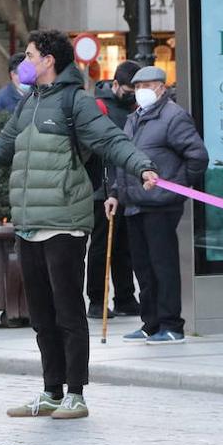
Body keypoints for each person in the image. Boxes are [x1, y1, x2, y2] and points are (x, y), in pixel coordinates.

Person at [0, 30, 158, 419]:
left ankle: (75, 393)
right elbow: (2, 147)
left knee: (68, 311)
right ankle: (50, 391)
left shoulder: (74, 102)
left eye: (30, 55)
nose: (24, 62)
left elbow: (111, 140)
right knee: (42, 315)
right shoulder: (28, 103)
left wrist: (142, 166)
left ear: (48, 60)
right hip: (29, 221)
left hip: (64, 221)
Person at [107, 65, 208, 345]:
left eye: (148, 86)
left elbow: (197, 157)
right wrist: (116, 192)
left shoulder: (174, 118)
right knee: (143, 266)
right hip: (134, 203)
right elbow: (124, 158)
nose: (142, 92)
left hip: (160, 204)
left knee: (162, 265)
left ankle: (172, 324)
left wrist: (174, 187)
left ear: (162, 88)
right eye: (138, 87)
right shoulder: (133, 119)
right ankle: (150, 322)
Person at [86, 60, 140, 319]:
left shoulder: (135, 109)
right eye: (129, 90)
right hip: (103, 187)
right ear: (115, 84)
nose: (133, 95)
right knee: (100, 247)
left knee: (124, 246)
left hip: (126, 185)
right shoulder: (99, 108)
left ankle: (126, 297)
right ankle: (97, 300)